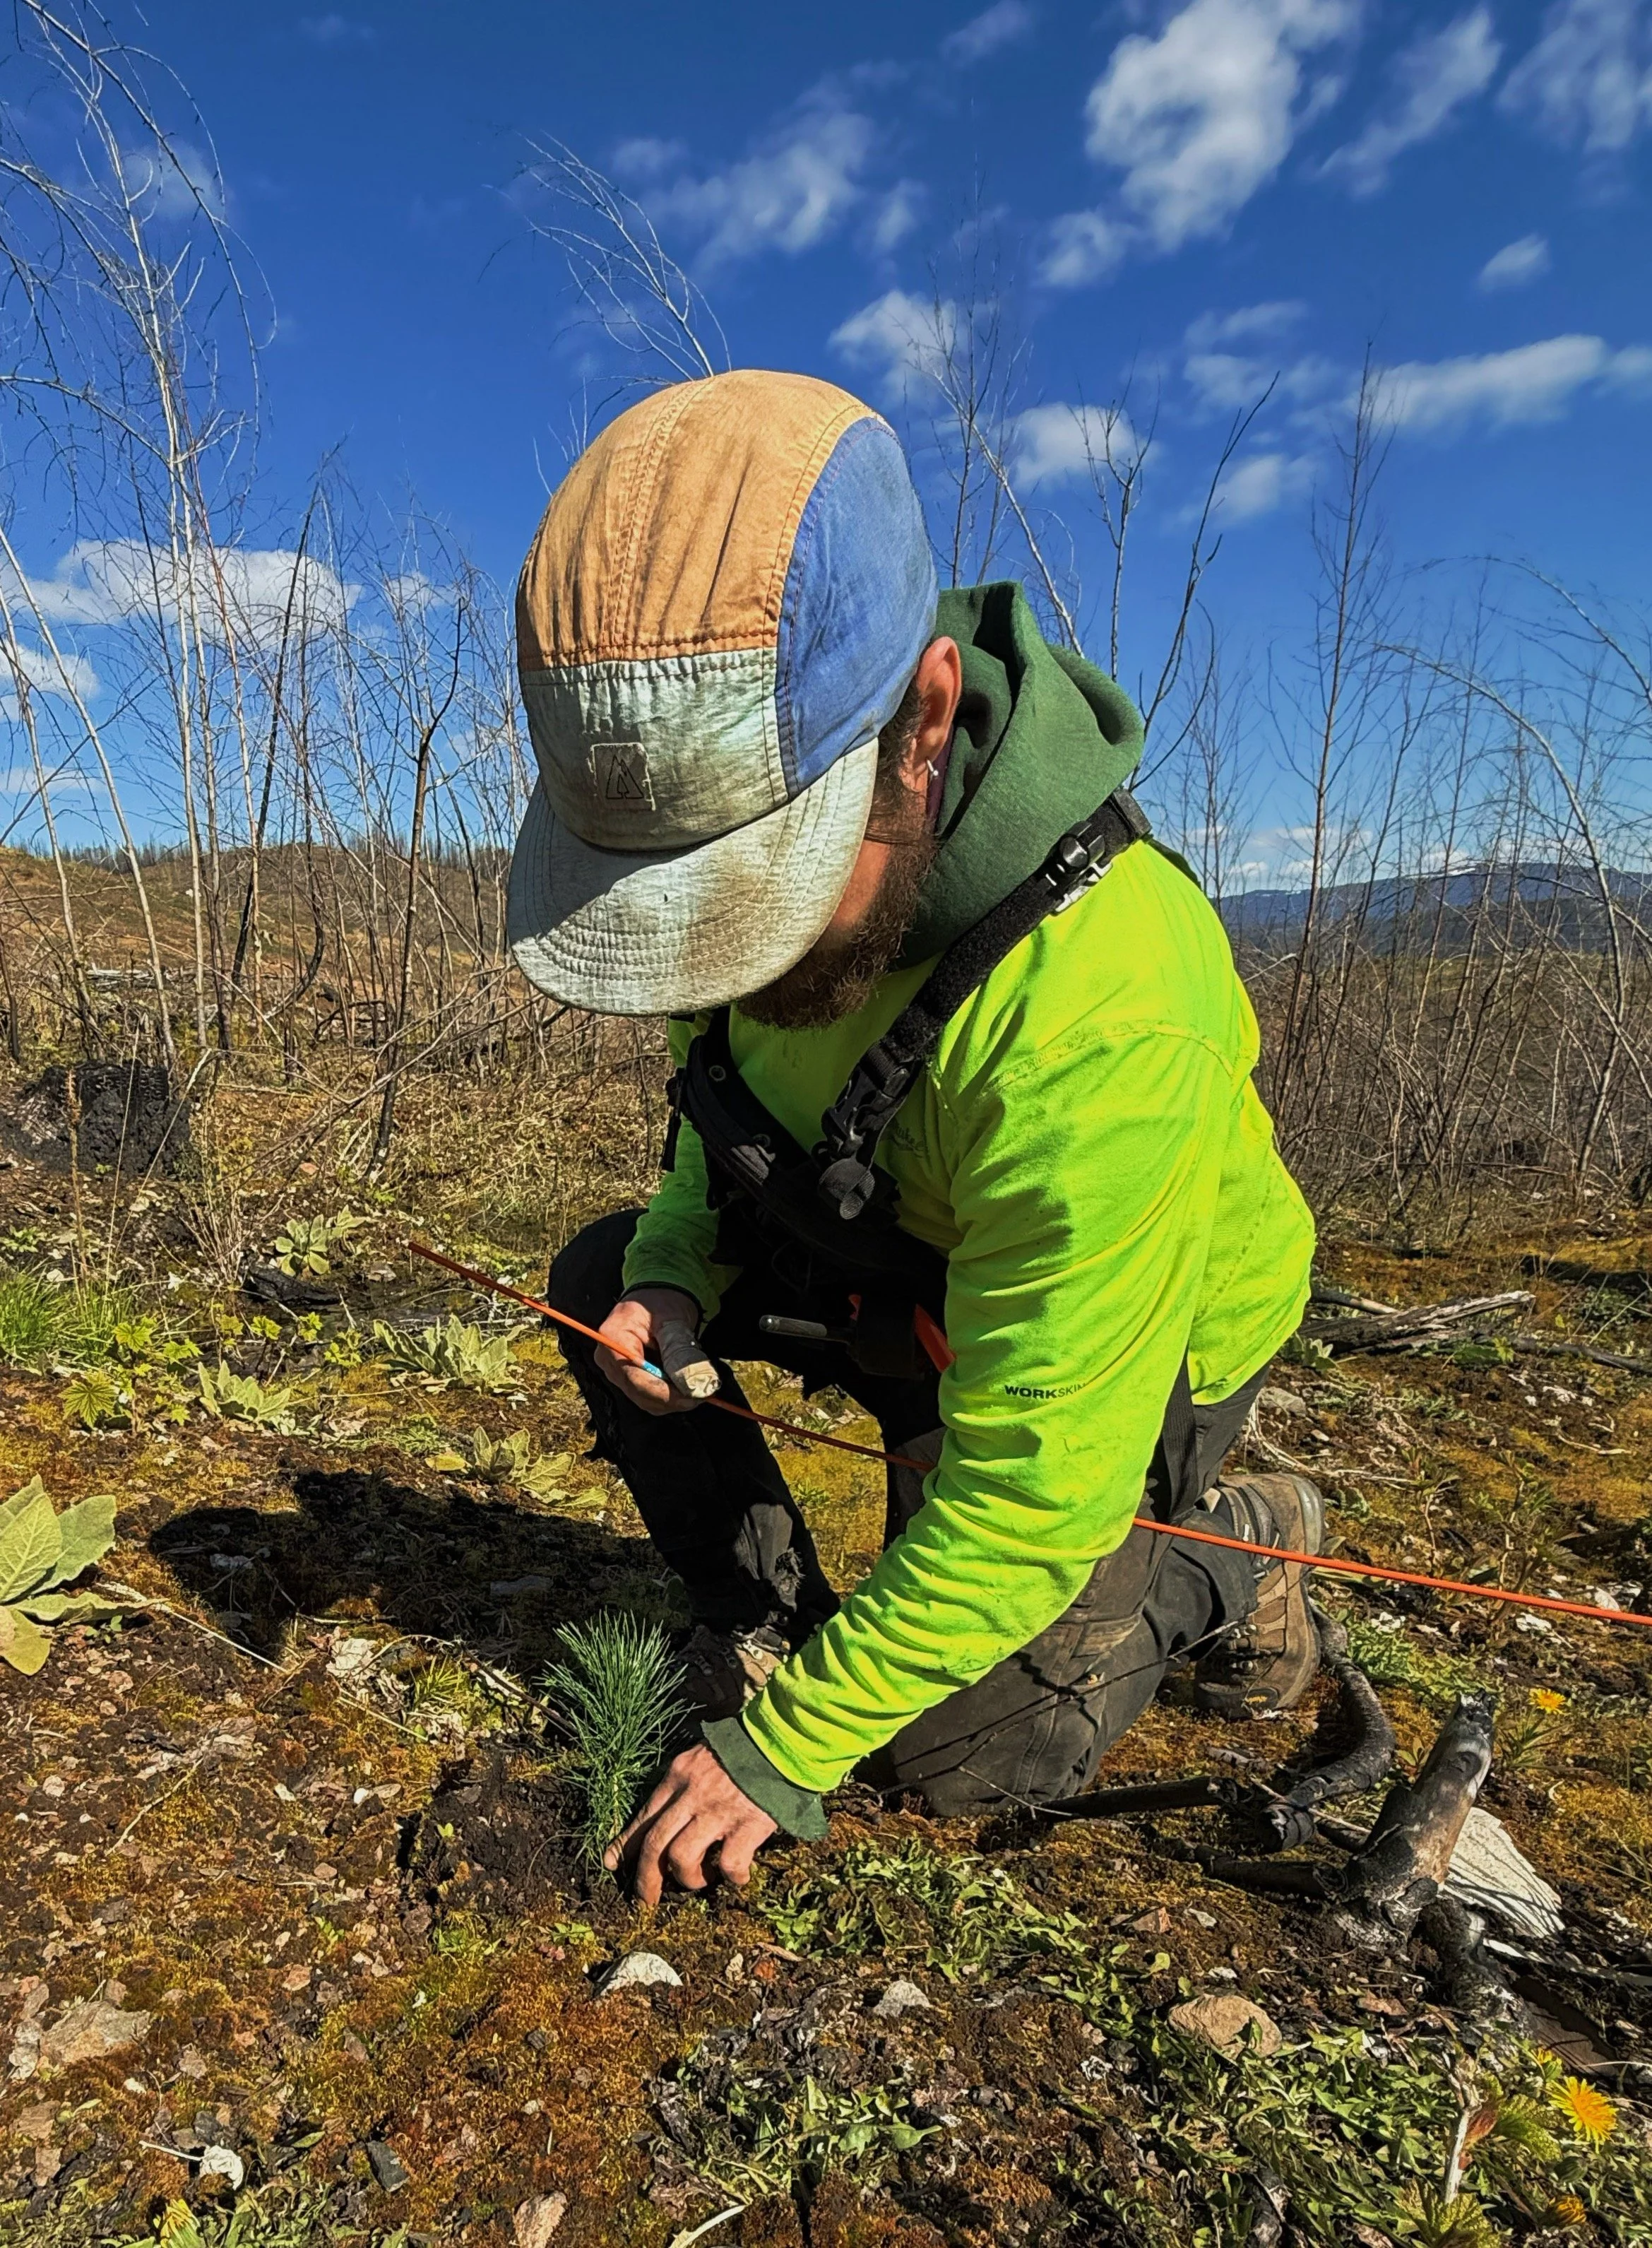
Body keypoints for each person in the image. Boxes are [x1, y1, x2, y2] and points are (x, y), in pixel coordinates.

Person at [506, 368, 1319, 1905]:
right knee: (597, 1265)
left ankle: (1242, 1551)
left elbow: (1028, 1498)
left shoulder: (1106, 1016)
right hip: (903, 1263)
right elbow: (721, 1118)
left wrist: (791, 1752)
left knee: (966, 1759)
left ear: (923, 722)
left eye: (758, 884)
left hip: (1110, 1350)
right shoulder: (768, 937)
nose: (723, 960)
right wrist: (673, 1274)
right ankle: (779, 1627)